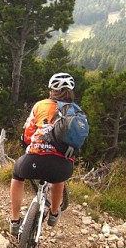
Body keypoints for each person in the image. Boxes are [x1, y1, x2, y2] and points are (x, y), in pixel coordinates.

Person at [9, 72, 77, 236]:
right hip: (60, 165)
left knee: (17, 175)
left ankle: (14, 220)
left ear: (51, 90)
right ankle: (54, 214)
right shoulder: (77, 111)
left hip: (34, 159)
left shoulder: (40, 106)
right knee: (58, 178)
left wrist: (28, 141)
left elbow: (28, 132)